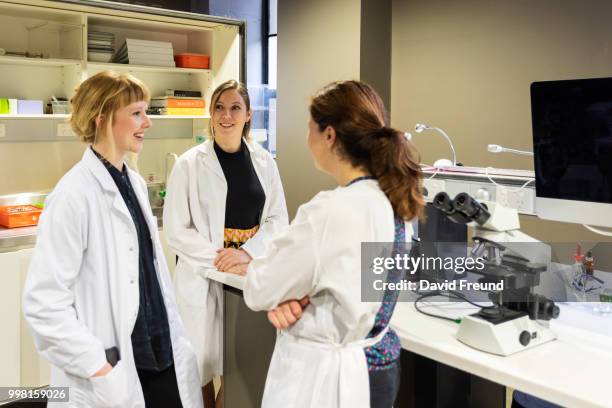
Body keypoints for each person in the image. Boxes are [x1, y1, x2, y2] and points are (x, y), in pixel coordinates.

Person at [22, 71, 203, 408]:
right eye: (136, 113)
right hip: (115, 366)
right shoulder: (73, 195)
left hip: (159, 353)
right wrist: (98, 366)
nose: (147, 123)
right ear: (102, 118)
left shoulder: (132, 182)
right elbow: (43, 304)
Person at [241, 80, 425, 408]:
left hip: (329, 378)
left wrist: (289, 294)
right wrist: (297, 294)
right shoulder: (396, 201)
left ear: (329, 135)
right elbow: (354, 282)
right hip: (379, 367)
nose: (306, 138)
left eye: (310, 128)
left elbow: (260, 287)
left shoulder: (330, 210)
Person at [163, 79, 288, 407]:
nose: (226, 115)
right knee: (198, 365)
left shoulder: (264, 162)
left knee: (240, 361)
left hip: (248, 273)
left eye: (235, 108)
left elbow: (278, 220)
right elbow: (176, 230)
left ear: (248, 115)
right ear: (211, 112)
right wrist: (220, 257)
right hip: (203, 273)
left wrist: (246, 252)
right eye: (219, 107)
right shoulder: (189, 164)